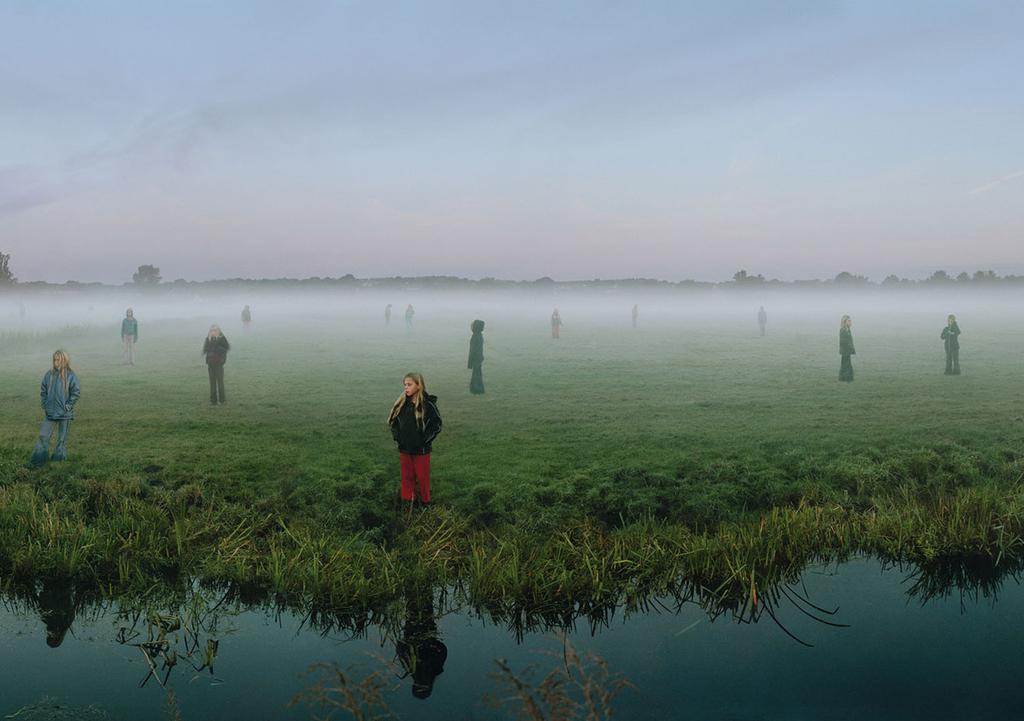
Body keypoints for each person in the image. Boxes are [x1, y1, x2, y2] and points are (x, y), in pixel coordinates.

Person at [388, 373, 442, 508]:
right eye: (405, 385)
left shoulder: (428, 405)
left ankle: (425, 505)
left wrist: (424, 440)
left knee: (423, 479)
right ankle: (408, 504)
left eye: (409, 384)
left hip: (421, 450)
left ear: (419, 385)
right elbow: (393, 423)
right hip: (405, 448)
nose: (406, 388)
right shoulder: (402, 404)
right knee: (407, 477)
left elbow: (437, 424)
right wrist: (398, 437)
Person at [30, 350, 80, 466]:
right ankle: (38, 461)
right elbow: (43, 390)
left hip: (65, 414)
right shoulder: (49, 375)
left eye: (58, 359)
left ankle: (58, 460)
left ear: (64, 360)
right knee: (43, 436)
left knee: (61, 440)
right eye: (54, 359)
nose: (55, 362)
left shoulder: (71, 376)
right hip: (50, 413)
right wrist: (45, 404)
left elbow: (76, 392)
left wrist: (68, 406)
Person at [202, 325, 230, 404]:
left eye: (215, 330)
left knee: (220, 382)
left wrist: (217, 347)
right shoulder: (208, 339)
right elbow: (205, 349)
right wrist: (208, 346)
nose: (213, 332)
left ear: (218, 331)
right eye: (211, 330)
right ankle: (213, 401)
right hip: (210, 364)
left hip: (219, 364)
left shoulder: (222, 338)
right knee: (212, 383)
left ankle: (222, 400)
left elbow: (227, 348)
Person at [468, 320, 485, 394]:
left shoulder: (476, 336)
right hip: (477, 357)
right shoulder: (478, 336)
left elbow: (473, 349)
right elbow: (475, 349)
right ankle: (477, 389)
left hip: (476, 357)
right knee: (477, 373)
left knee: (476, 373)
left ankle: (476, 389)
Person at [839, 315, 855, 382]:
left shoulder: (848, 330)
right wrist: (850, 348)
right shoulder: (842, 330)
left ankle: (846, 378)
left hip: (847, 351)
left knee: (847, 363)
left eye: (850, 321)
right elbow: (844, 342)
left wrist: (852, 349)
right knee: (845, 364)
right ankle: (846, 378)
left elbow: (850, 340)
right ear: (845, 322)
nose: (850, 322)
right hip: (845, 351)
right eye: (849, 321)